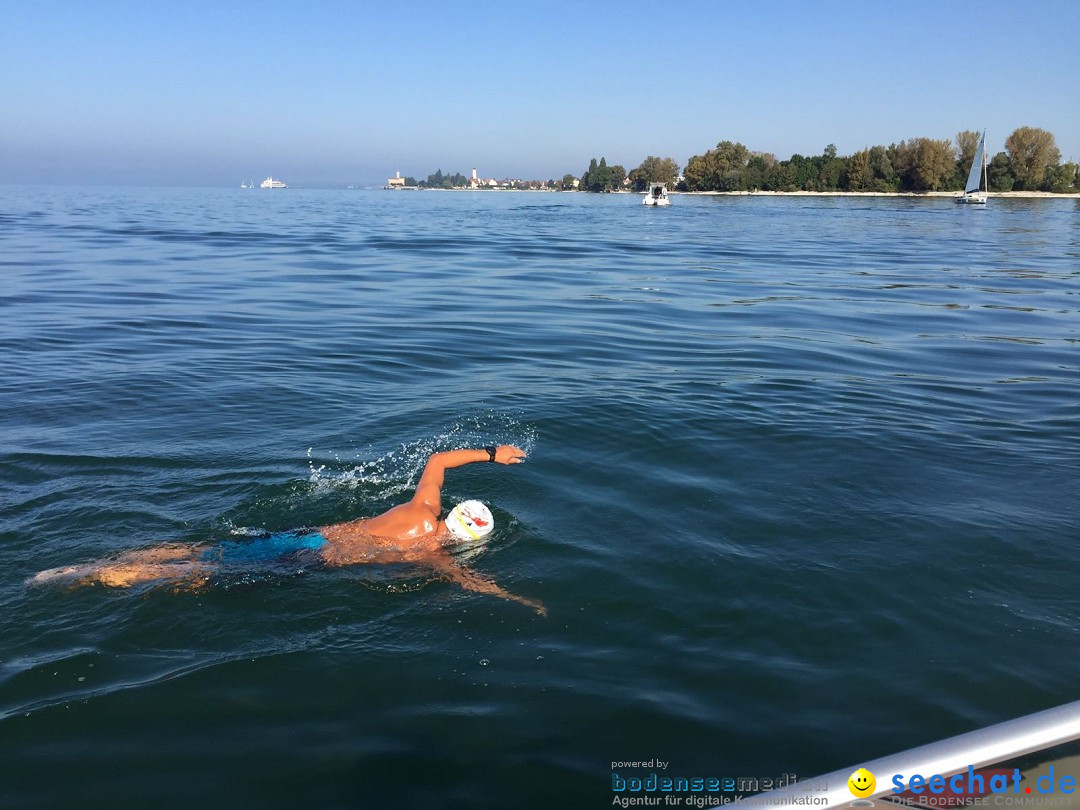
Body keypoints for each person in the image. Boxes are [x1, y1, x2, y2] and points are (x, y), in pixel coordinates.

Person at [30, 445, 545, 615]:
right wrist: (521, 600)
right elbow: (471, 583)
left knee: (209, 549)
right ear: (465, 537)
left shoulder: (422, 509)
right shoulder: (435, 553)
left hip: (306, 534)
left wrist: (493, 453)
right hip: (308, 562)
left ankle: (99, 562)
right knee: (201, 574)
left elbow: (437, 459)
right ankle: (107, 577)